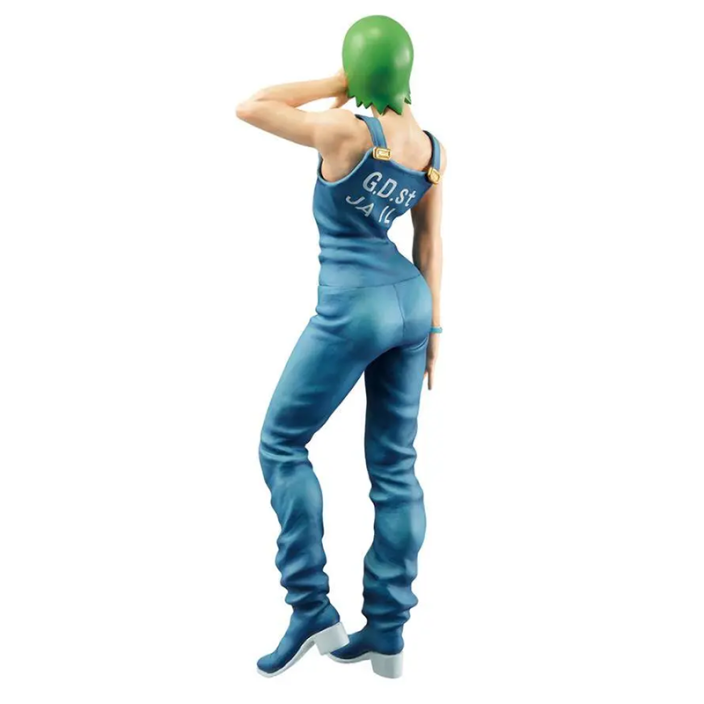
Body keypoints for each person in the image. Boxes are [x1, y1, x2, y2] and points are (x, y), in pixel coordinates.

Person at [236, 15, 446, 679]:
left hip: (353, 307)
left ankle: (311, 610)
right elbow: (430, 241)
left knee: (281, 443)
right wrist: (435, 330)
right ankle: (388, 632)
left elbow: (252, 105)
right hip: (411, 303)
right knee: (395, 466)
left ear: (358, 68)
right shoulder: (431, 148)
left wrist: (335, 83)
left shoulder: (343, 131)